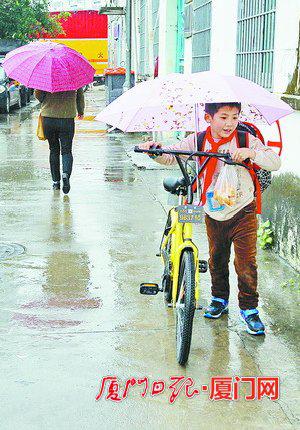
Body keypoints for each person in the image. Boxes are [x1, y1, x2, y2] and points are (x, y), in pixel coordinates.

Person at [138, 102, 281, 336]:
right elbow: (172, 156)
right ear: (208, 118)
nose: (229, 123)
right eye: (223, 117)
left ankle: (249, 309)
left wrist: (251, 153)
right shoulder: (198, 140)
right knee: (216, 258)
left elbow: (274, 161)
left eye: (234, 117)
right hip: (213, 210)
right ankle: (219, 299)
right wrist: (154, 150)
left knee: (245, 263)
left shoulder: (245, 139)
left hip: (243, 209)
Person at [34, 89, 85, 194]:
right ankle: (66, 174)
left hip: (48, 117)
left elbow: (39, 95)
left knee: (53, 150)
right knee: (66, 151)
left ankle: (56, 182)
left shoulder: (46, 74)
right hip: (67, 118)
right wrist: (80, 111)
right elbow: (80, 96)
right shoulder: (73, 75)